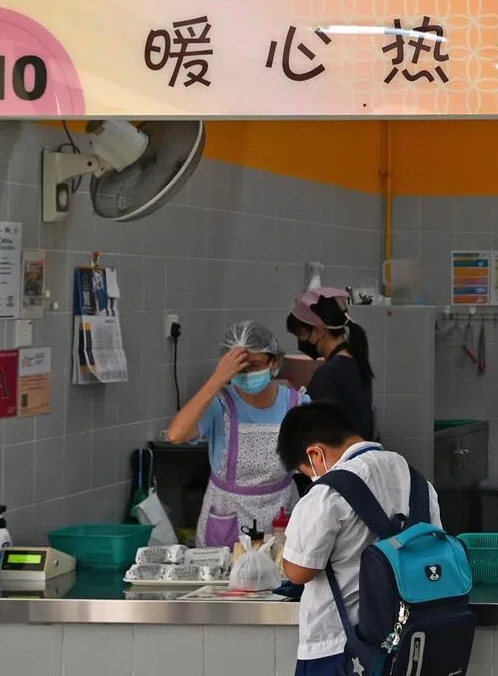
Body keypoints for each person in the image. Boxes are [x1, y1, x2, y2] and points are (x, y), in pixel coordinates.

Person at [277, 401, 442, 676]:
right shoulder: (418, 482)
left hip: (340, 647)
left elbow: (298, 571)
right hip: (411, 641)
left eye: (305, 472)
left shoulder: (326, 493)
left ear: (315, 454)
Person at [166, 321, 309, 547]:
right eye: (240, 367)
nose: (248, 373)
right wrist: (216, 380)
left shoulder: (296, 404)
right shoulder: (220, 403)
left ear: (274, 362)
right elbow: (175, 434)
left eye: (255, 365)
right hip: (227, 518)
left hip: (281, 516)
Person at [286, 288, 375, 440]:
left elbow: (322, 434)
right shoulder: (356, 361)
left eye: (301, 334)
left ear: (319, 330)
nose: (301, 342)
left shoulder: (327, 375)